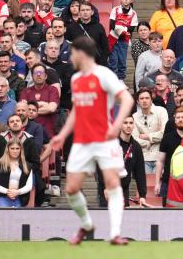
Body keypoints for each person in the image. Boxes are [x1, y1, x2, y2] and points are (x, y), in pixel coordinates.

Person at [49, 36, 135, 245]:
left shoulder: (103, 74)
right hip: (82, 142)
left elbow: (127, 99)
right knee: (70, 189)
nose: (70, 58)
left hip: (105, 139)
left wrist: (116, 126)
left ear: (80, 53)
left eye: (71, 53)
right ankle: (87, 224)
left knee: (113, 183)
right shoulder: (76, 79)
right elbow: (77, 110)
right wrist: (62, 135)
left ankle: (115, 233)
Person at [0, 139, 32, 207]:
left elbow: (29, 186)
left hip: (20, 198)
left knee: (19, 218)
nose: (15, 151)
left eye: (17, 148)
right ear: (8, 149)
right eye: (12, 148)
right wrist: (7, 192)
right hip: (3, 198)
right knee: (3, 217)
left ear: (21, 150)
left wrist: (18, 192)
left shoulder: (27, 166)